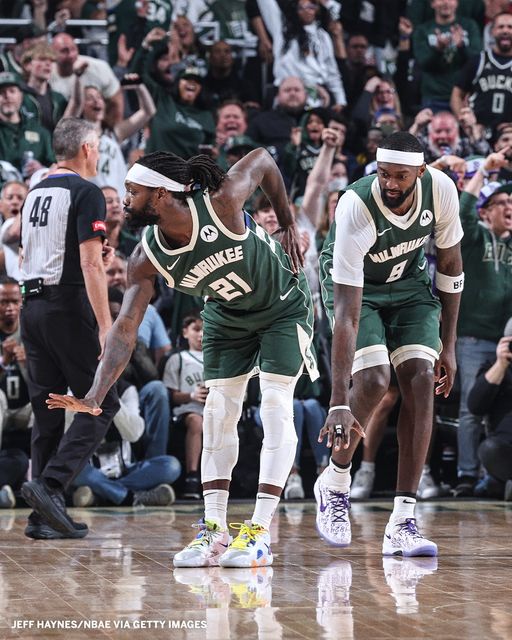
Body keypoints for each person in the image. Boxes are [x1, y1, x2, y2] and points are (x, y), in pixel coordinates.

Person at [47, 147, 318, 569]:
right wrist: (95, 393)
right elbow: (124, 329)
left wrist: (286, 222)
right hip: (227, 318)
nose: (125, 198)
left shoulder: (222, 203)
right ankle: (215, 532)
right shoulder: (146, 255)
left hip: (281, 307)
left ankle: (260, 532)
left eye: (133, 191)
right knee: (216, 413)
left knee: (274, 404)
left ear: (160, 195)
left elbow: (263, 159)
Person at [316, 131, 463, 556]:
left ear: (421, 172)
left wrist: (448, 345)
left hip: (410, 285)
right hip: (355, 290)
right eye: (384, 174)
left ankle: (403, 521)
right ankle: (336, 480)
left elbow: (451, 266)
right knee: (376, 380)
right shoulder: (356, 206)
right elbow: (345, 315)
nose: (391, 184)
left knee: (419, 378)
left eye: (401, 176)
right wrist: (338, 399)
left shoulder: (442, 191)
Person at [19, 117, 119, 540]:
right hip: (66, 307)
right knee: (101, 404)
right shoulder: (86, 191)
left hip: (32, 307)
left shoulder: (34, 192)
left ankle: (42, 518)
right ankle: (51, 486)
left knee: (49, 412)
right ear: (86, 149)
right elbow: (90, 263)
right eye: (96, 147)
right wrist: (105, 326)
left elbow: (38, 251)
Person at [163, 315, 206, 499]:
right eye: (196, 329)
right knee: (197, 422)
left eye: (205, 329)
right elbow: (171, 395)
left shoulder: (219, 358)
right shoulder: (177, 358)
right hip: (187, 411)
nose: (202, 334)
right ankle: (192, 477)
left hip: (214, 410)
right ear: (185, 332)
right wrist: (191, 395)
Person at [451, 12, 512, 132]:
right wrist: (465, 123)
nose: (505, 30)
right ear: (492, 31)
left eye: (510, 27)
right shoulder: (478, 61)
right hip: (478, 133)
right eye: (500, 27)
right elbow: (456, 94)